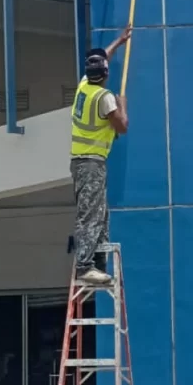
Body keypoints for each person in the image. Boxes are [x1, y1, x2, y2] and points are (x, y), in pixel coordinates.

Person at [70, 25, 132, 284]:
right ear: (105, 74)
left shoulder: (84, 86)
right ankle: (85, 267)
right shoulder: (105, 98)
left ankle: (97, 262)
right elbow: (122, 126)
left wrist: (119, 41)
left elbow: (102, 57)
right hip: (92, 162)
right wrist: (123, 106)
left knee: (100, 213)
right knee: (91, 214)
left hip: (83, 161)